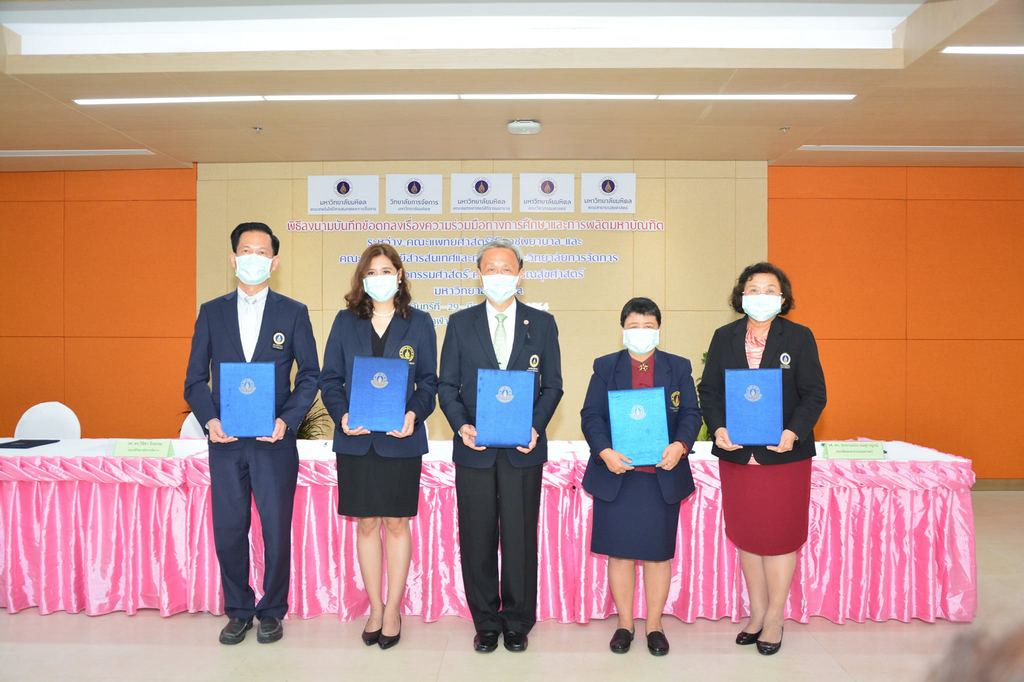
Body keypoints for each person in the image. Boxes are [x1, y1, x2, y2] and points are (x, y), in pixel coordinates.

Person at [184, 222, 320, 645]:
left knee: (277, 527)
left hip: (274, 441)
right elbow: (193, 381)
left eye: (263, 252)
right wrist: (210, 420)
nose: (254, 258)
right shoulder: (212, 311)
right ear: (233, 258)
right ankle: (239, 609)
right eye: (247, 250)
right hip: (225, 442)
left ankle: (273, 610)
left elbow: (311, 375)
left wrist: (288, 420)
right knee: (229, 526)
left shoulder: (293, 312)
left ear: (274, 262)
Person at [438, 237, 563, 653]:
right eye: (490, 268)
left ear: (520, 274)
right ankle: (486, 621)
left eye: (506, 268)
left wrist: (535, 427)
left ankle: (517, 621)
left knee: (520, 535)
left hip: (522, 449)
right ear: (479, 275)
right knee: (476, 535)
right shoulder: (459, 323)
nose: (498, 275)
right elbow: (446, 387)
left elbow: (553, 385)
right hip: (474, 449)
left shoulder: (541, 324)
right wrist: (461, 426)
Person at [698, 262, 826, 656]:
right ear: (741, 295)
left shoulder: (800, 337)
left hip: (783, 455)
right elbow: (710, 391)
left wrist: (793, 432)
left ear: (783, 298)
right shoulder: (725, 337)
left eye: (770, 289)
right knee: (748, 536)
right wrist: (718, 428)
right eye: (754, 288)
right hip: (737, 455)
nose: (761, 295)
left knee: (780, 537)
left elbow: (814, 393)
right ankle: (755, 613)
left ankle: (775, 617)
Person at [319, 243, 438, 650]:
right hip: (355, 442)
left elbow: (430, 383)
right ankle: (374, 606)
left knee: (397, 524)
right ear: (362, 279)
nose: (380, 278)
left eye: (387, 271)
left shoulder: (420, 323)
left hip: (400, 442)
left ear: (400, 276)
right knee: (367, 524)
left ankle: (393, 609)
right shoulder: (344, 321)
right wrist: (342, 415)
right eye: (373, 272)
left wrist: (414, 415)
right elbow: (330, 379)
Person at [581, 297, 702, 656]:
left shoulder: (677, 367)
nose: (641, 333)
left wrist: (680, 445)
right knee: (618, 554)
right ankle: (623, 623)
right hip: (618, 473)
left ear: (659, 330)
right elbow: (592, 416)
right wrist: (604, 451)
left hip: (660, 474)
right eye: (634, 327)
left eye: (648, 327)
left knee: (657, 555)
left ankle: (654, 625)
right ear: (623, 331)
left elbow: (691, 414)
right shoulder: (605, 367)